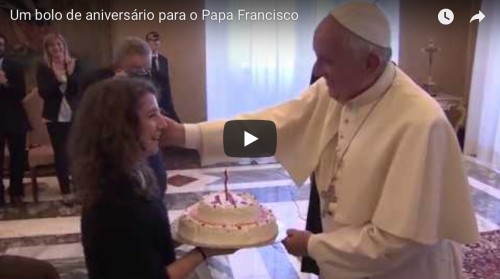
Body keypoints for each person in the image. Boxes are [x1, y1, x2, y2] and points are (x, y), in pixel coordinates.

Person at [161, 2, 479, 278]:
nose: (316, 69)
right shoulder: (334, 89)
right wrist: (186, 135)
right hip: (344, 262)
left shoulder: (422, 124)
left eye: (327, 59)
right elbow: (267, 134)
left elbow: (397, 242)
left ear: (371, 63)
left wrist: (313, 245)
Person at [70, 78, 233, 279]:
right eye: (152, 115)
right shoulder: (114, 201)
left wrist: (199, 230)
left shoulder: (134, 172)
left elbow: (148, 242)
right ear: (121, 127)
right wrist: (204, 252)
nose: (164, 124)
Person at [80, 37, 168, 196]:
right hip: (113, 154)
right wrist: (113, 91)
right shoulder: (95, 82)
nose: (141, 75)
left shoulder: (152, 79)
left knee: (158, 183)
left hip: (145, 145)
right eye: (135, 70)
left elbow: (161, 109)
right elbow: (89, 120)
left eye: (145, 69)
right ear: (118, 65)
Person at [36, 32, 82, 206]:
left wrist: (69, 74)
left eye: (59, 45)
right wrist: (57, 78)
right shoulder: (44, 68)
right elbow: (44, 92)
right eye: (52, 46)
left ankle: (79, 187)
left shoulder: (74, 64)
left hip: (74, 114)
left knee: (76, 153)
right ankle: (65, 191)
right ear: (47, 49)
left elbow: (78, 89)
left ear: (64, 46)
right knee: (61, 154)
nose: (56, 48)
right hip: (54, 117)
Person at [0, 34, 28, 210]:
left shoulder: (15, 65)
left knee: (17, 158)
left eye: (1, 44)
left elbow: (21, 93)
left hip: (15, 118)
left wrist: (5, 84)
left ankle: (16, 193)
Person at [146, 31, 181, 123]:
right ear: (147, 43)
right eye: (151, 40)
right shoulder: (145, 60)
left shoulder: (163, 60)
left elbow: (166, 82)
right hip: (150, 98)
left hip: (165, 100)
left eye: (156, 40)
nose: (154, 43)